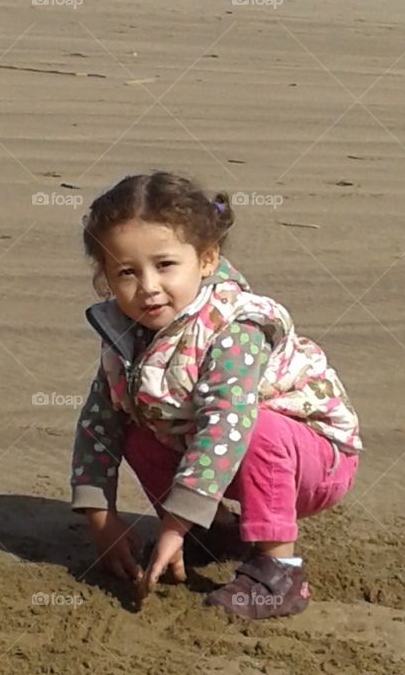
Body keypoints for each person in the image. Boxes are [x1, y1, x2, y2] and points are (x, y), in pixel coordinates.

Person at [69, 171, 362, 619]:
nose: (148, 286)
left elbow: (228, 421)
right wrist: (100, 517)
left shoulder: (236, 328)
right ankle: (216, 533)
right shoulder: (126, 333)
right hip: (222, 454)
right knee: (136, 425)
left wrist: (173, 521)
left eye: (165, 265)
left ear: (206, 260)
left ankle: (280, 569)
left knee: (256, 427)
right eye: (127, 272)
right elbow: (99, 420)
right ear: (107, 278)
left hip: (313, 459)